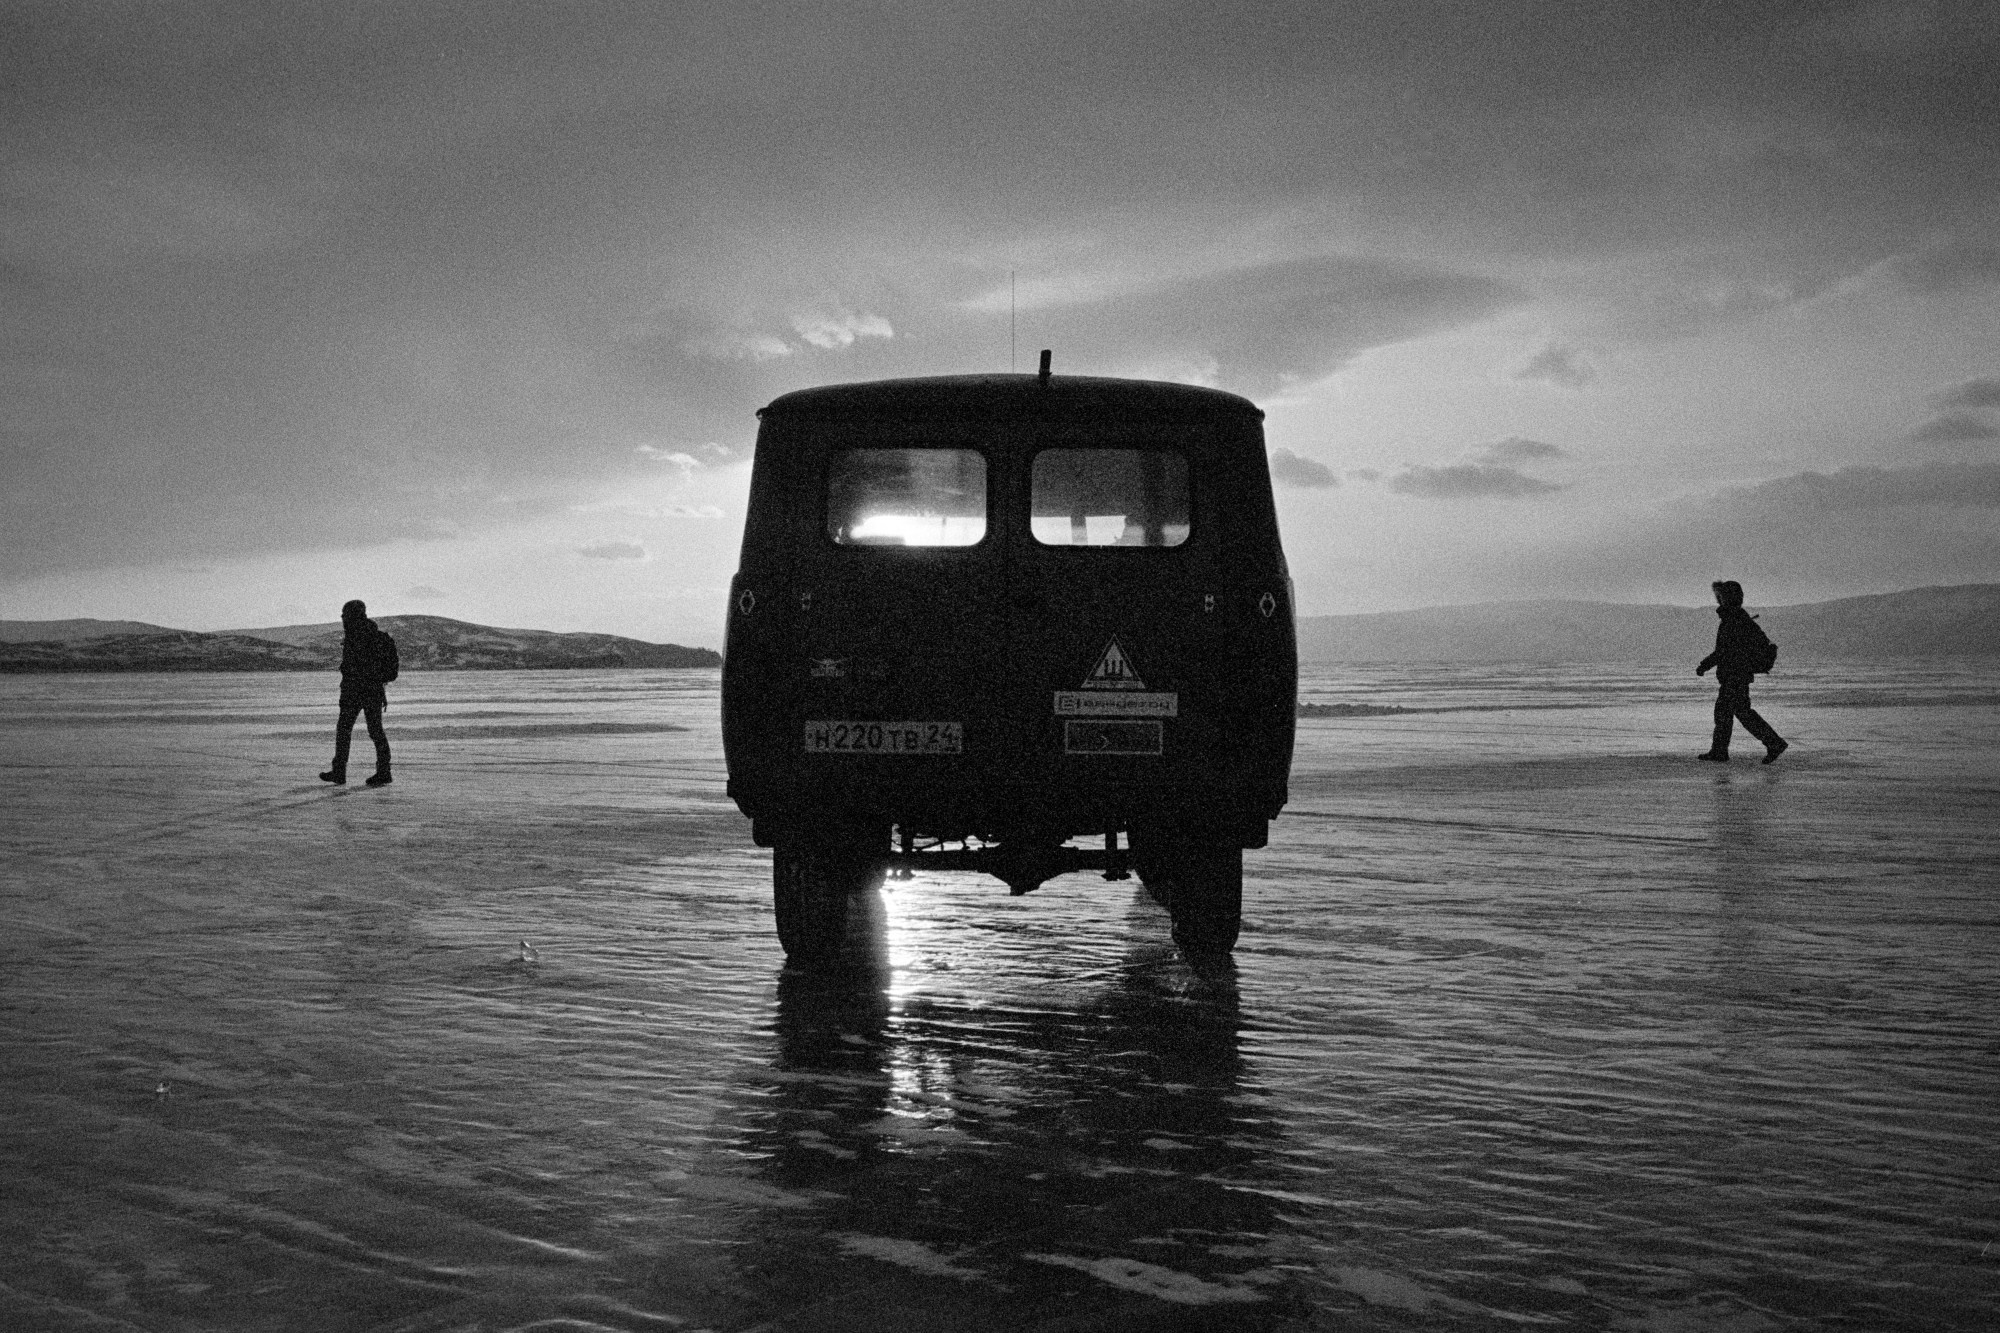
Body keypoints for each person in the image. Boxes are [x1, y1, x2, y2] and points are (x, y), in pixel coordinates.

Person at [1695, 580, 1787, 764]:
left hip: (1734, 675)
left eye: (1720, 596)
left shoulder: (1733, 620)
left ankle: (1773, 743)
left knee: (1737, 713)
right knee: (1729, 712)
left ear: (1726, 598)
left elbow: (1723, 651)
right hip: (1738, 674)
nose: (1718, 599)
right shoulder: (1737, 618)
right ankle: (1720, 751)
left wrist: (1704, 665)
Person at [321, 599, 396, 786]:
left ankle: (343, 772)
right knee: (370, 731)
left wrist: (368, 679)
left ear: (353, 615)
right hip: (367, 691)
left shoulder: (360, 637)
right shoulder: (369, 636)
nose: (342, 618)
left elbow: (365, 667)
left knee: (351, 730)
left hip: (359, 691)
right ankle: (381, 771)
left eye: (345, 614)